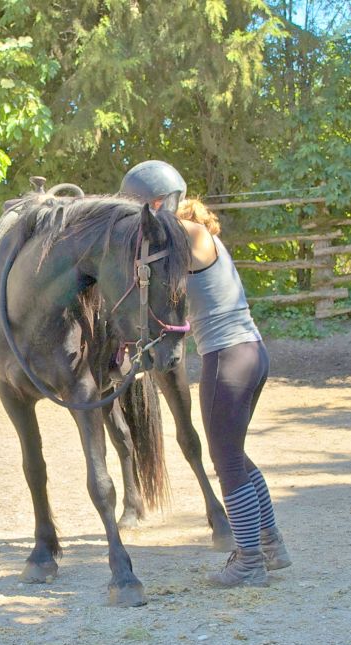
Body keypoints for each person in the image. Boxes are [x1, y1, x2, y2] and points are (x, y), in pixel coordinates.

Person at [120, 160, 291, 587]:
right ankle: (271, 545)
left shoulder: (188, 234)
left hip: (227, 358)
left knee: (226, 459)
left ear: (157, 204)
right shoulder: (193, 235)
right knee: (236, 454)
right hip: (249, 352)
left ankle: (249, 562)